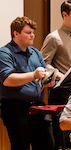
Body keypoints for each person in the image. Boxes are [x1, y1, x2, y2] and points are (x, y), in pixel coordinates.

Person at [0, 16, 55, 150]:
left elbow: (43, 75)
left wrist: (48, 80)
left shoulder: (36, 52)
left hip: (39, 107)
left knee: (48, 145)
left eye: (33, 32)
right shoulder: (5, 53)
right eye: (28, 32)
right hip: (16, 108)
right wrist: (34, 75)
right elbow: (8, 80)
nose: (32, 35)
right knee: (21, 146)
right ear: (16, 33)